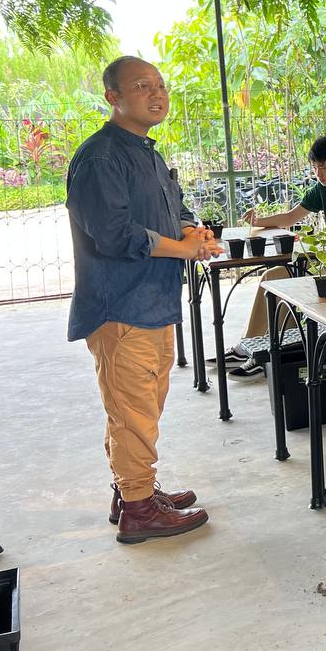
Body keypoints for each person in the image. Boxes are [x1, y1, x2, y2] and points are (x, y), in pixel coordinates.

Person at [66, 55, 218, 544]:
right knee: (132, 412)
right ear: (113, 96)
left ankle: (134, 488)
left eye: (160, 86)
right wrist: (184, 247)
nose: (157, 95)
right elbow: (113, 234)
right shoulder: (100, 157)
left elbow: (168, 209)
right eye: (141, 86)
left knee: (139, 408)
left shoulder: (145, 152)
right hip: (120, 306)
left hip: (152, 303)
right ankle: (138, 510)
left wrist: (193, 228)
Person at [227, 136, 326, 378]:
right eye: (315, 167)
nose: (318, 173)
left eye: (323, 167)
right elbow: (291, 218)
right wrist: (258, 222)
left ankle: (275, 351)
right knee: (273, 277)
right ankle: (251, 346)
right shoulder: (322, 190)